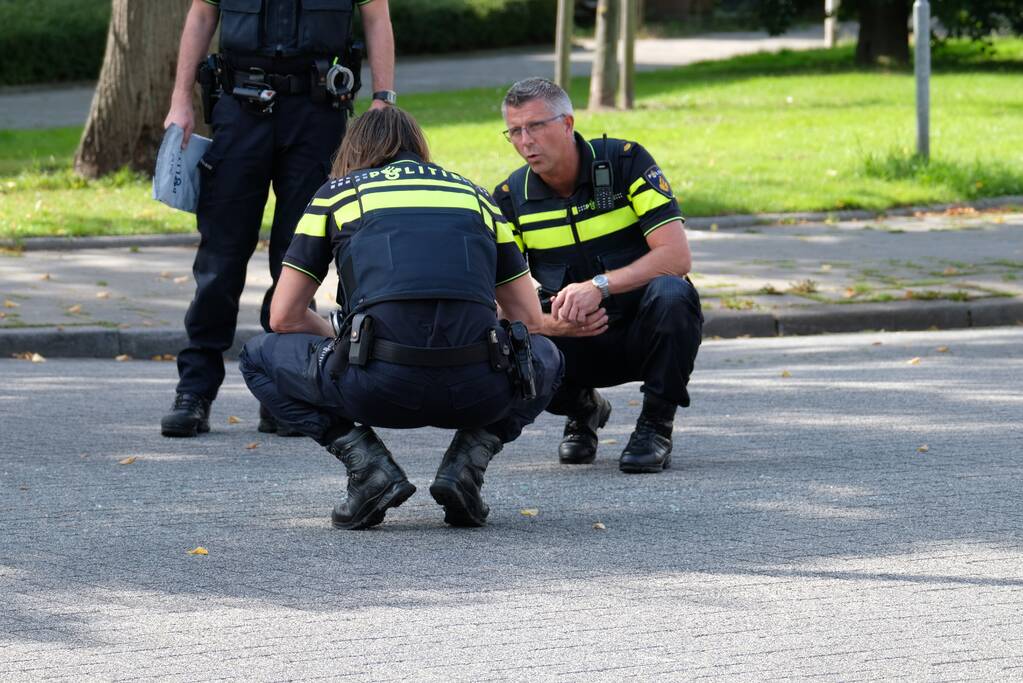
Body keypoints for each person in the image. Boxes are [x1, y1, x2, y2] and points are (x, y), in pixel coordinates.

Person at [238, 107, 564, 530]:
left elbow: (282, 316)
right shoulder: (475, 197)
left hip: (374, 386)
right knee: (548, 355)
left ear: (354, 150)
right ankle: (467, 465)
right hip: (476, 389)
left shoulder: (337, 195)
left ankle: (365, 464)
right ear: (419, 148)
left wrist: (340, 341)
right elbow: (529, 319)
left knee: (256, 356)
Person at [161, 0, 397, 438]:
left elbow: (376, 15)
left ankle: (283, 394)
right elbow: (200, 15)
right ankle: (194, 391)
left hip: (317, 110)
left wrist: (384, 99)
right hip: (238, 107)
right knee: (220, 258)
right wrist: (181, 100)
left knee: (299, 257)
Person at [492, 78, 703, 474]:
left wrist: (599, 285)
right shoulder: (508, 198)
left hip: (644, 330)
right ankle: (583, 409)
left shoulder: (625, 162)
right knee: (509, 338)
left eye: (536, 126)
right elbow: (499, 297)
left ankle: (655, 427)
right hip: (576, 338)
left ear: (568, 123)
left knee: (673, 293)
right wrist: (552, 324)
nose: (526, 141)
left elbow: (676, 256)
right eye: (515, 131)